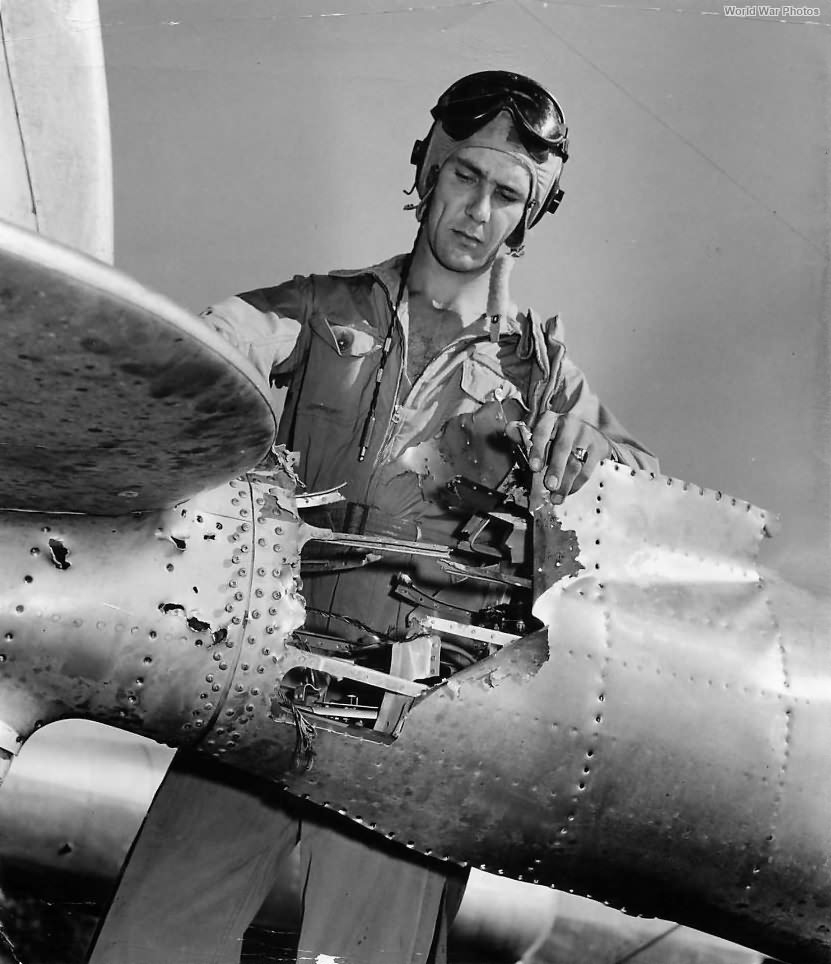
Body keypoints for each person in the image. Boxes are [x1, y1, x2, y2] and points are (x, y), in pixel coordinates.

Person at [86, 70, 658, 964]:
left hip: (412, 726)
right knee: (148, 944)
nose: (476, 209)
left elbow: (642, 494)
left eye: (507, 194)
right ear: (426, 171)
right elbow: (198, 352)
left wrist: (587, 449)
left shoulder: (545, 379)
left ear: (529, 216)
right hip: (269, 685)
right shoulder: (318, 310)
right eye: (463, 176)